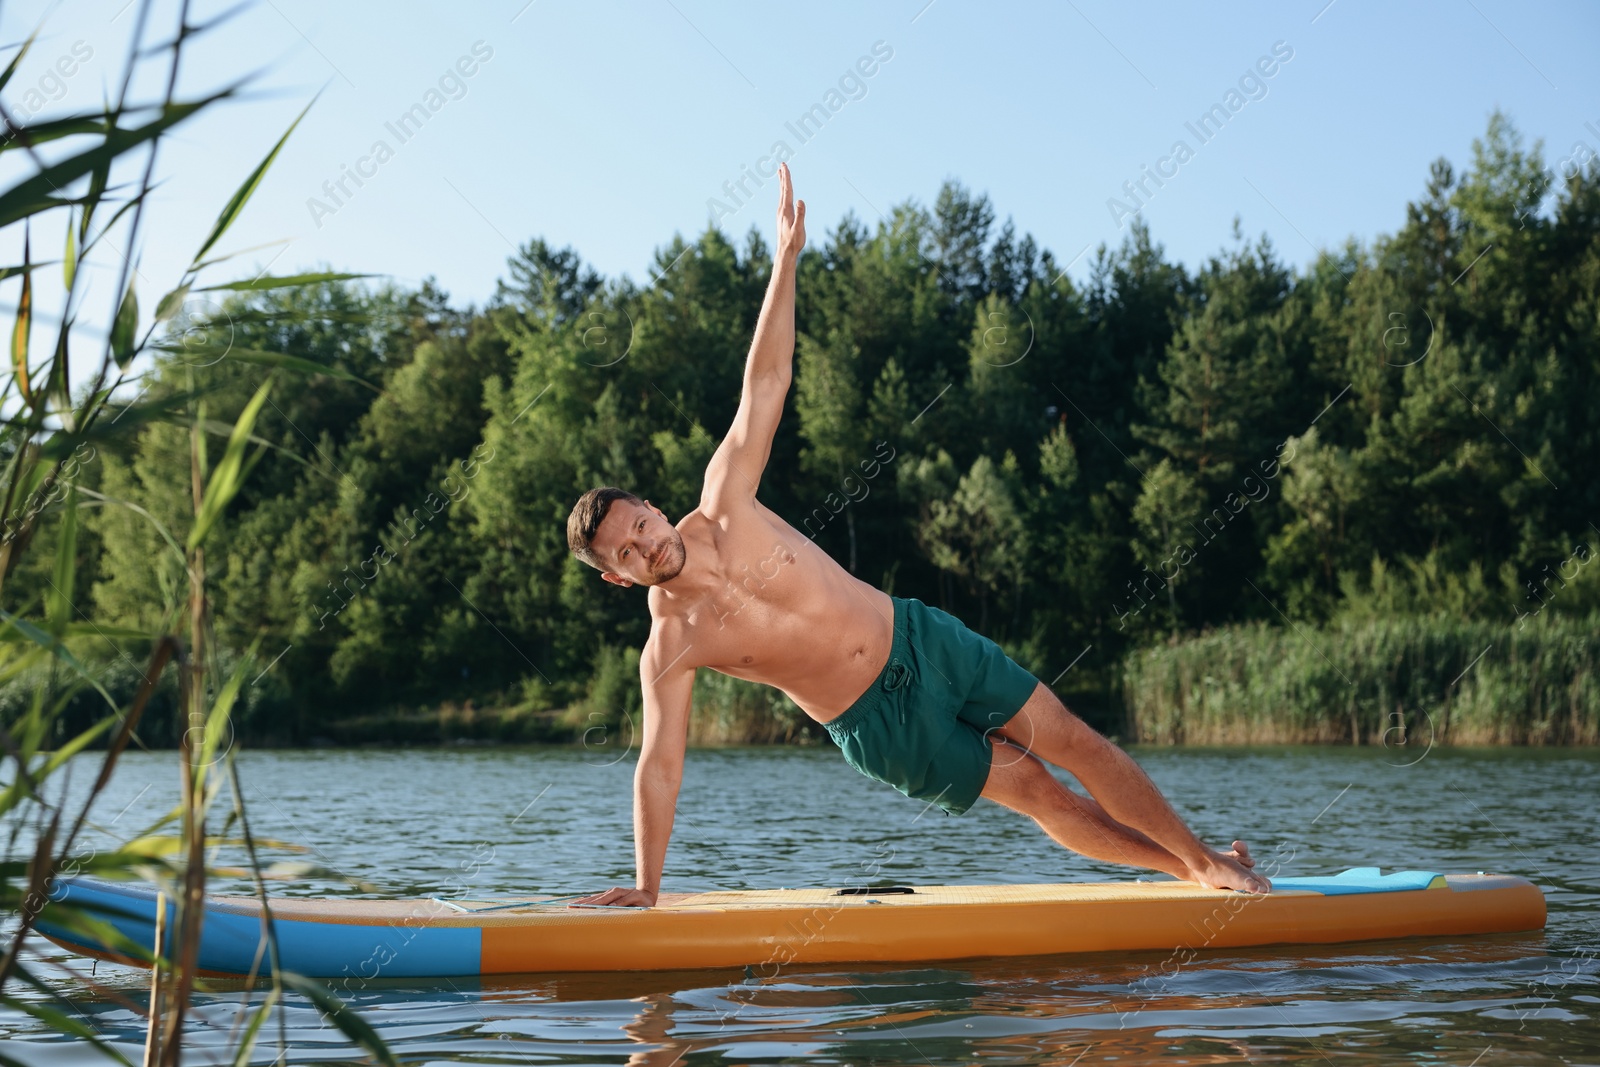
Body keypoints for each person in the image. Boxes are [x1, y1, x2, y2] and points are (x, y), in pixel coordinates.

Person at [565, 163, 1269, 907]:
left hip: (921, 639)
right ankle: (1187, 869)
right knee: (1040, 792)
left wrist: (785, 262)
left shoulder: (725, 500)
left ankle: (1203, 861)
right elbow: (660, 764)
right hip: (883, 725)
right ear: (618, 576)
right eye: (628, 554)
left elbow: (766, 384)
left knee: (1073, 740)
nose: (647, 546)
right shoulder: (671, 644)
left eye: (640, 525)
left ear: (650, 504)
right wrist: (647, 887)